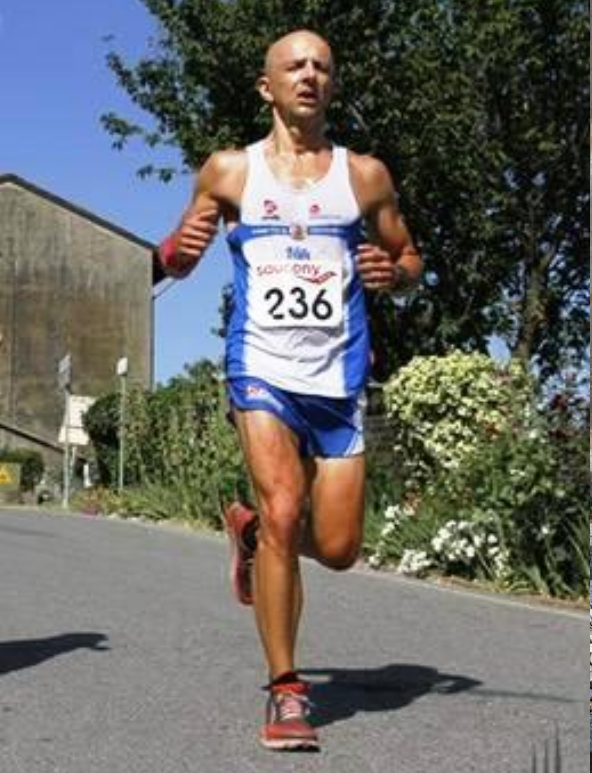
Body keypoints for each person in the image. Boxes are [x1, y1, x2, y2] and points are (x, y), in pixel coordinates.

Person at [158, 29, 423, 751]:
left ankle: (250, 535)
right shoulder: (229, 171)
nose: (310, 75)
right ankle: (287, 689)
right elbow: (180, 254)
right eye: (295, 65)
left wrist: (395, 274)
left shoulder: (364, 176)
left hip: (337, 378)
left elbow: (408, 257)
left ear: (332, 85)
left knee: (337, 548)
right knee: (284, 508)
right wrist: (176, 253)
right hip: (261, 367)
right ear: (265, 86)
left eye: (322, 67)